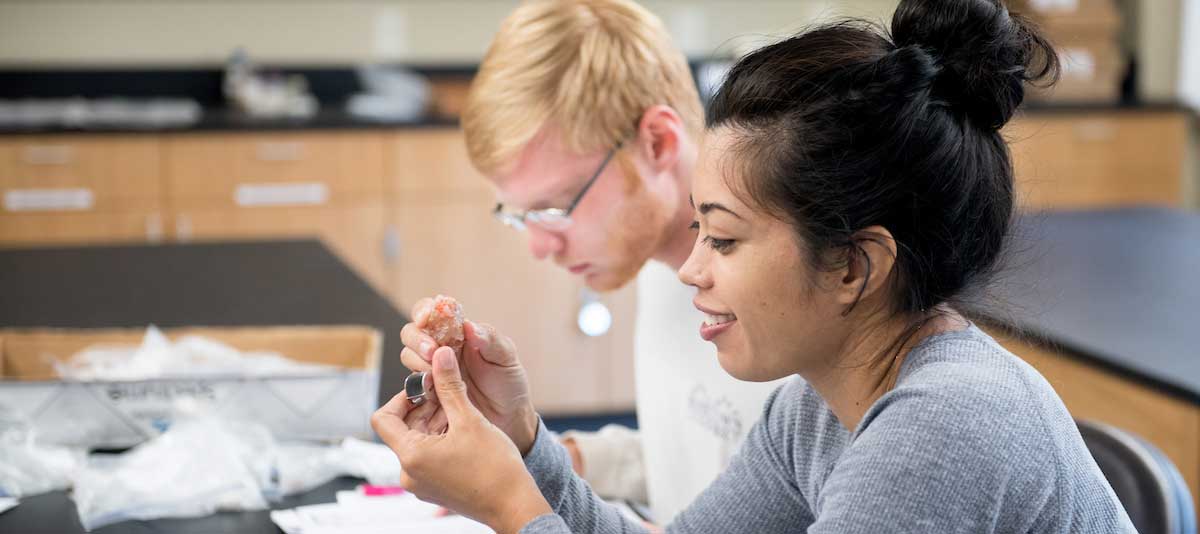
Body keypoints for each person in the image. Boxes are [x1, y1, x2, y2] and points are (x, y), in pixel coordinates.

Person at [372, 0, 1138, 532]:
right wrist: (525, 444)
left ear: (853, 266)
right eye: (700, 233)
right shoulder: (815, 404)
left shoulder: (942, 428)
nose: (692, 271)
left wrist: (512, 508)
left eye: (726, 241)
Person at [398, 0, 782, 522]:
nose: (539, 246)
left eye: (555, 207)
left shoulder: (789, 304)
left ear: (657, 142)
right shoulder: (657, 267)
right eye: (520, 215)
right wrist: (533, 450)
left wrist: (511, 499)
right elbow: (705, 460)